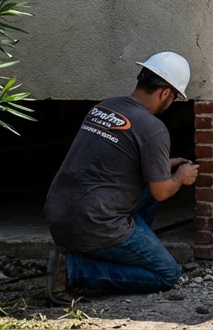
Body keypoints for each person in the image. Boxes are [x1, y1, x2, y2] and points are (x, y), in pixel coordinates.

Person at [45, 52, 198, 303]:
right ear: (165, 94)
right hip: (95, 223)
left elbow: (112, 159)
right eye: (173, 99)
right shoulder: (153, 127)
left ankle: (120, 250)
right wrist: (180, 177)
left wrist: (162, 164)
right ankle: (72, 270)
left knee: (150, 185)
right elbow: (161, 192)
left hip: (60, 214)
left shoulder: (104, 107)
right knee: (166, 274)